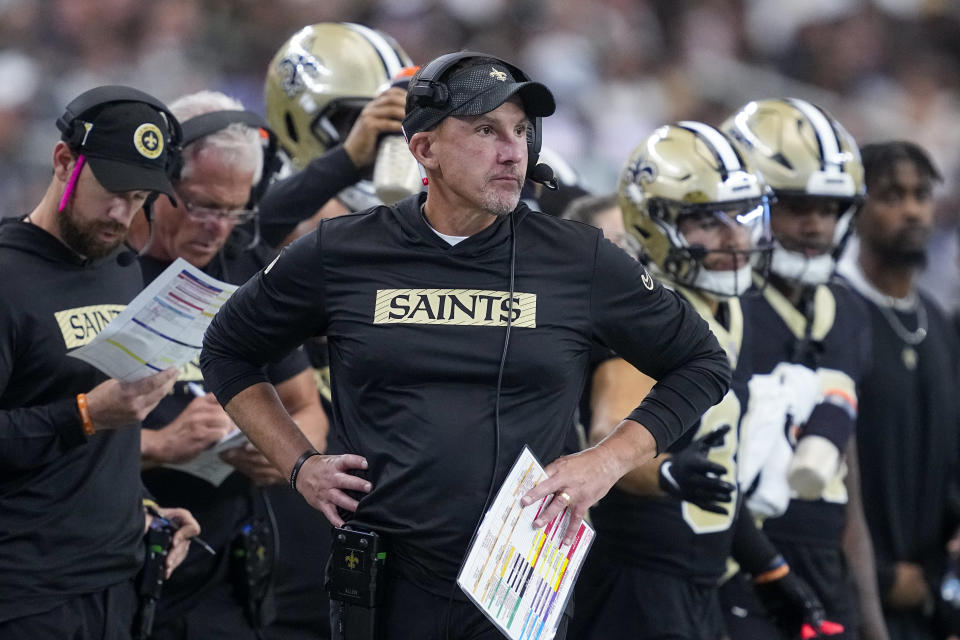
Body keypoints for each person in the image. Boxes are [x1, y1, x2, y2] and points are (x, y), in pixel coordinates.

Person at [199, 52, 731, 640]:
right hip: (382, 584)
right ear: (424, 150)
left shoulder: (579, 258)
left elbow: (702, 361)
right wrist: (299, 465)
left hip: (521, 582)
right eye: (485, 129)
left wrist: (606, 461)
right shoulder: (343, 252)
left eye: (522, 131)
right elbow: (226, 347)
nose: (513, 150)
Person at [126, 90, 328, 639]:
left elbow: (307, 408)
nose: (218, 227)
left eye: (235, 209)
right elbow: (43, 432)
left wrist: (285, 456)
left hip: (224, 575)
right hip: (113, 566)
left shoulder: (243, 275)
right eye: (201, 204)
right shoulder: (105, 270)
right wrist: (161, 445)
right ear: (156, 181)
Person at [0, 86, 200, 638]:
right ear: (64, 161)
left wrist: (140, 507)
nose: (121, 214)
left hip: (121, 582)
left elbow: (96, 447)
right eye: (111, 190)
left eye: (138, 198)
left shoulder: (119, 266)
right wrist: (85, 412)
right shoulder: (7, 277)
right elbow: (88, 414)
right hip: (28, 594)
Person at [569, 121, 776, 639]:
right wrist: (664, 474)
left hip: (696, 573)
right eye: (709, 220)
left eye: (744, 214)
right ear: (652, 224)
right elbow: (607, 433)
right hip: (639, 577)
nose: (735, 236)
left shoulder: (724, 307)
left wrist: (771, 568)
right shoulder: (649, 309)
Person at [720, 97, 887, 639]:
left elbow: (848, 485)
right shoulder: (720, 307)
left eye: (829, 208)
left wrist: (870, 620)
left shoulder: (851, 313)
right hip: (731, 569)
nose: (816, 225)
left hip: (822, 572)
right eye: (796, 205)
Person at [837, 140, 960, 640]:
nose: (911, 210)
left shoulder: (937, 321)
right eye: (891, 196)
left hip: (928, 599)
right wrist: (877, 576)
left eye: (920, 195)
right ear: (856, 209)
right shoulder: (834, 311)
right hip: (851, 595)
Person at [259, 22, 414, 247]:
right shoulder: (256, 190)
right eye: (359, 121)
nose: (383, 137)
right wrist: (347, 160)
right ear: (295, 122)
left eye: (398, 119)